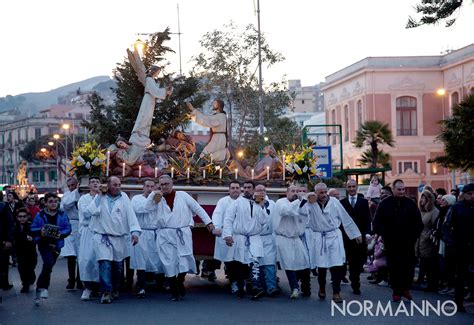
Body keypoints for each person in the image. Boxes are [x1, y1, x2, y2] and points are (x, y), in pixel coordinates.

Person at [145, 175, 214, 301]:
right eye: (162, 184)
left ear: (172, 184)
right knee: (168, 261)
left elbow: (197, 208)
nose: (164, 186)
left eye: (167, 184)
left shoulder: (183, 195)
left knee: (184, 259)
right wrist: (153, 197)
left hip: (182, 232)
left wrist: (208, 222)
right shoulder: (157, 198)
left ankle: (180, 281)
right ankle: (173, 288)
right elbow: (147, 208)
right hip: (165, 234)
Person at [299, 182, 362, 303]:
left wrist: (356, 234)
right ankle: (322, 288)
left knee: (336, 264)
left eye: (325, 192)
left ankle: (336, 292)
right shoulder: (310, 203)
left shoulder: (334, 202)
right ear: (316, 193)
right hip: (319, 237)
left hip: (333, 236)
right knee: (321, 266)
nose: (324, 195)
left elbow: (345, 218)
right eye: (320, 193)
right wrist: (306, 198)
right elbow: (301, 213)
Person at [86, 176, 141, 304]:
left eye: (119, 185)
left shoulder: (124, 198)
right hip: (102, 236)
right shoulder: (101, 197)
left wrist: (135, 232)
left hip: (118, 238)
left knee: (117, 267)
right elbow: (90, 211)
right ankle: (106, 291)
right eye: (114, 185)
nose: (117, 187)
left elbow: (131, 216)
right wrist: (99, 195)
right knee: (104, 263)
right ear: (108, 185)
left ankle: (115, 288)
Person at [373, 179, 423, 302]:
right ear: (393, 190)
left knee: (408, 267)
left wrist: (413, 236)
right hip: (391, 242)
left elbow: (418, 223)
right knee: (394, 268)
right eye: (399, 189)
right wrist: (384, 234)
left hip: (407, 243)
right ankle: (396, 291)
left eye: (403, 189)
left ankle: (405, 288)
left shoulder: (410, 203)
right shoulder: (384, 204)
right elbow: (377, 222)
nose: (401, 192)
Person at [223, 181, 271, 299]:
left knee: (255, 261)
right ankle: (241, 288)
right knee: (240, 263)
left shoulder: (258, 203)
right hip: (240, 237)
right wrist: (228, 235)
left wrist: (261, 206)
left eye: (249, 187)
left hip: (254, 237)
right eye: (244, 187)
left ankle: (256, 287)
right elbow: (228, 219)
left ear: (254, 189)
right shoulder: (236, 203)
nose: (247, 189)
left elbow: (264, 220)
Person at [30, 192, 71, 306]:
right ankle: (44, 288)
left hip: (57, 244)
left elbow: (68, 228)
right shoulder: (40, 215)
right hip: (44, 243)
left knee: (48, 267)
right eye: (51, 202)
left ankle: (39, 289)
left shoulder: (62, 214)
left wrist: (61, 234)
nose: (53, 204)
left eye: (55, 201)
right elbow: (32, 228)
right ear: (46, 203)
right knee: (48, 264)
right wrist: (40, 231)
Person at [274, 185, 310, 299]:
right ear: (287, 193)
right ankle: (295, 288)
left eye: (297, 191)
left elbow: (305, 215)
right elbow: (287, 211)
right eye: (293, 191)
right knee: (289, 264)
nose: (295, 193)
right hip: (284, 238)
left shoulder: (299, 202)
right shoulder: (281, 202)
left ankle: (305, 287)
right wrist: (300, 200)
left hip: (296, 238)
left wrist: (304, 202)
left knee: (304, 262)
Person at [130, 179, 162, 298]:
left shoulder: (159, 199)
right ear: (143, 187)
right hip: (142, 232)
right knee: (141, 261)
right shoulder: (136, 199)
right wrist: (153, 198)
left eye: (152, 186)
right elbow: (143, 209)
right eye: (147, 186)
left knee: (158, 259)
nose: (150, 189)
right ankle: (141, 286)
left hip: (155, 232)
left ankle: (160, 284)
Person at [339, 179, 371, 295]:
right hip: (346, 239)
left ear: (356, 187)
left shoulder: (363, 202)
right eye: (349, 187)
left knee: (357, 263)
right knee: (349, 262)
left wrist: (367, 233)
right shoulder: (342, 203)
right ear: (346, 188)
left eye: (353, 186)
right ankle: (353, 282)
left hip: (360, 238)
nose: (352, 189)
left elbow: (367, 219)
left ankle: (355, 280)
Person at [448, 183, 474, 312]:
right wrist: (452, 243)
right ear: (464, 195)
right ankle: (458, 301)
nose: (472, 196)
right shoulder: (456, 208)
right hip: (460, 245)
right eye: (470, 194)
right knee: (461, 275)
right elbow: (446, 227)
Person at [212, 181, 241, 293]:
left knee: (240, 261)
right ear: (229, 190)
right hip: (226, 233)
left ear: (240, 190)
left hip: (240, 235)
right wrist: (217, 228)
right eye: (232, 188)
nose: (235, 190)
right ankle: (233, 282)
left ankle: (243, 282)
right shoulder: (223, 201)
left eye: (237, 188)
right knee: (230, 261)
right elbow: (217, 215)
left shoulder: (244, 202)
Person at [77, 176, 101, 301]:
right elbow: (86, 213)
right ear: (89, 185)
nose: (95, 184)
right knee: (85, 259)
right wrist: (97, 199)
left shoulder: (104, 198)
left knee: (98, 259)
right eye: (93, 182)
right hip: (88, 231)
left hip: (100, 231)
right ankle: (87, 288)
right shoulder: (84, 199)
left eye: (97, 182)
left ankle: (97, 287)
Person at [253, 184, 278, 299]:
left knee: (270, 263)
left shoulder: (272, 204)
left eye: (263, 190)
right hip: (256, 237)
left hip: (268, 237)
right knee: (257, 264)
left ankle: (271, 287)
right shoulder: (250, 203)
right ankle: (259, 287)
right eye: (258, 190)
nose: (261, 192)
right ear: (254, 192)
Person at [415, 190, 439, 292]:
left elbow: (435, 226)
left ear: (429, 199)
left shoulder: (434, 211)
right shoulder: (421, 210)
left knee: (429, 263)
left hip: (428, 240)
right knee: (423, 262)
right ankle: (422, 282)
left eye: (424, 198)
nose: (422, 200)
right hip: (420, 240)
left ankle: (431, 284)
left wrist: (429, 235)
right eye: (422, 197)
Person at [60, 177, 82, 291]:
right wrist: (75, 193)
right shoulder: (67, 195)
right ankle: (71, 279)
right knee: (71, 255)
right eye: (69, 186)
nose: (71, 187)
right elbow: (64, 206)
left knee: (81, 255)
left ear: (77, 184)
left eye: (73, 185)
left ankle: (80, 279)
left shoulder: (84, 194)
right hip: (71, 224)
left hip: (81, 225)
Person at [13, 207, 37, 293]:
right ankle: (25, 284)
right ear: (17, 217)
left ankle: (31, 277)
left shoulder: (32, 226)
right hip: (20, 252)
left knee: (30, 268)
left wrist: (32, 239)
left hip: (31, 252)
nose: (22, 218)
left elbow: (37, 237)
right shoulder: (14, 227)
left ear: (27, 217)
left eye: (24, 216)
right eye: (20, 216)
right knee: (22, 269)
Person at [0, 191, 15, 297]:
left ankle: (4, 283)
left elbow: (10, 223)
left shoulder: (3, 207)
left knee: (3, 264)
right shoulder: (4, 206)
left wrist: (9, 239)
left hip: (2, 240)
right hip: (4, 240)